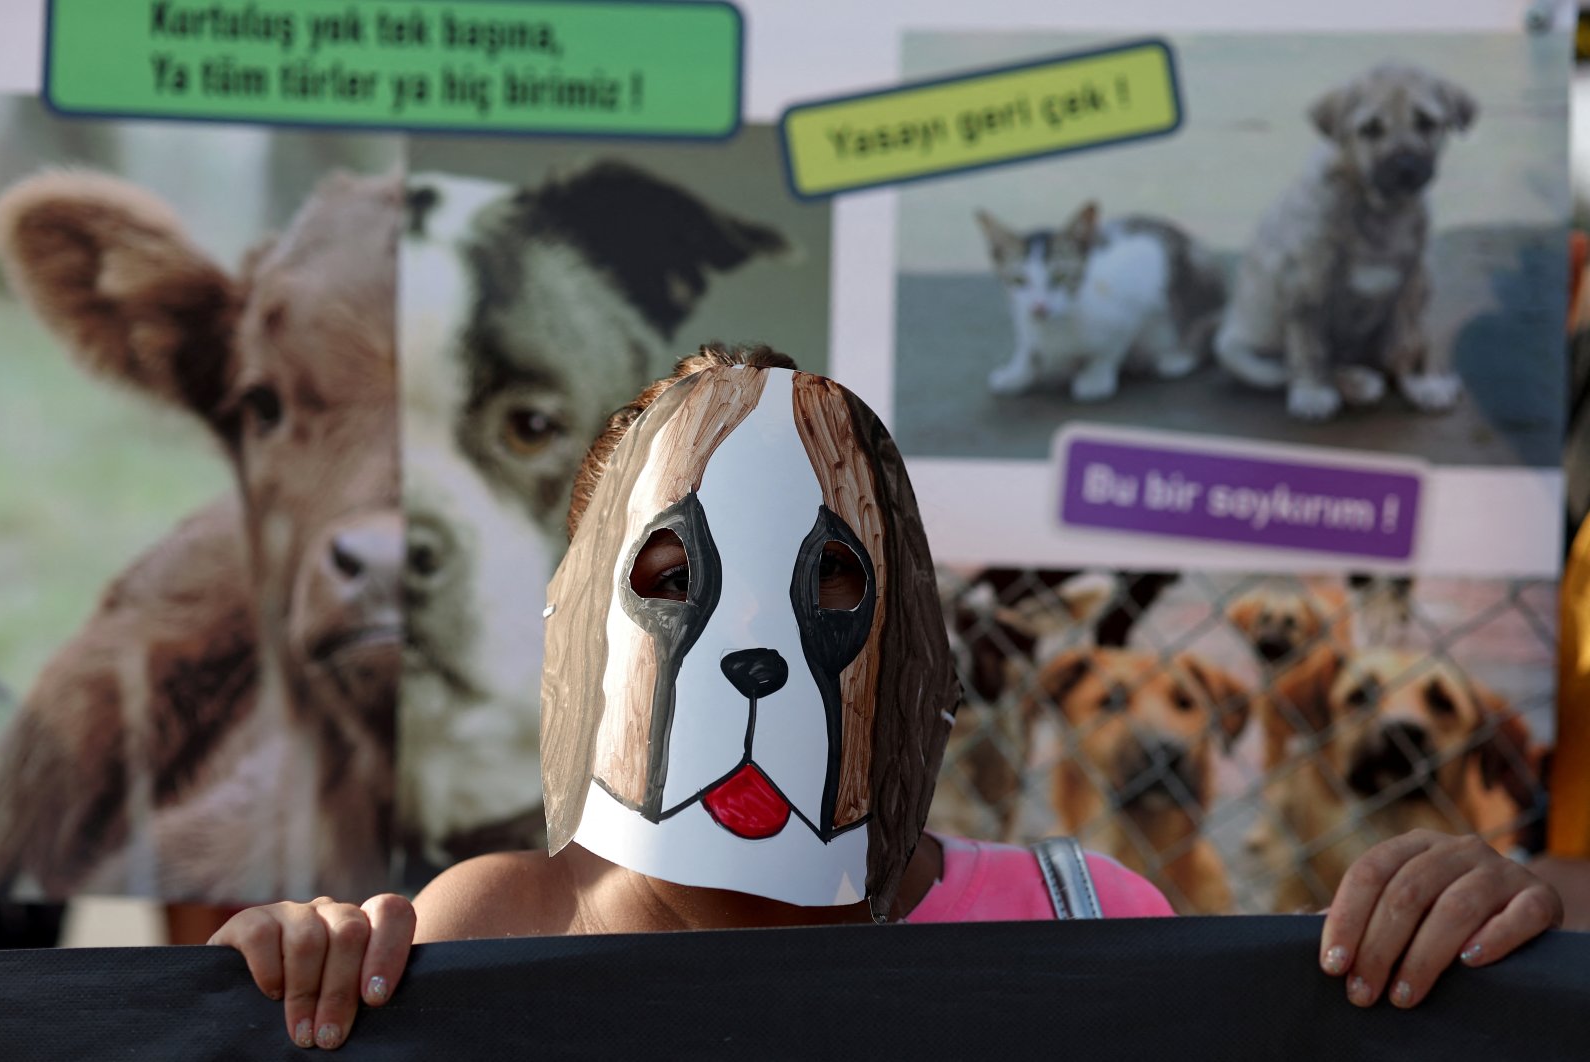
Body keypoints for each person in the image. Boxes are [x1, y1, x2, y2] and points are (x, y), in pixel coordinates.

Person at [211, 347, 1563, 1051]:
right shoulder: (487, 933)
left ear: (920, 659)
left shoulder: (1083, 922)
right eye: (673, 574)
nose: (750, 651)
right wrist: (293, 982)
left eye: (831, 579)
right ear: (582, 643)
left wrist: (1461, 949)